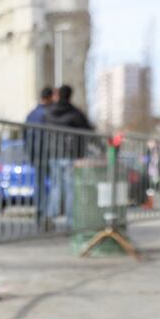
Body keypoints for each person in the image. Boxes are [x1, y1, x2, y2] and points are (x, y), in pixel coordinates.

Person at [44, 84, 95, 225]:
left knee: (56, 186)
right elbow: (89, 130)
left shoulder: (49, 112)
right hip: (71, 155)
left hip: (54, 154)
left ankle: (51, 216)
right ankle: (70, 220)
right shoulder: (75, 113)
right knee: (71, 188)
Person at [24, 87, 54, 228]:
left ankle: (41, 213)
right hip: (48, 154)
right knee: (54, 185)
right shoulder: (48, 114)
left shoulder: (31, 114)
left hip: (35, 155)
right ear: (49, 97)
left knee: (40, 186)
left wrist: (29, 153)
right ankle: (47, 214)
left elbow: (25, 136)